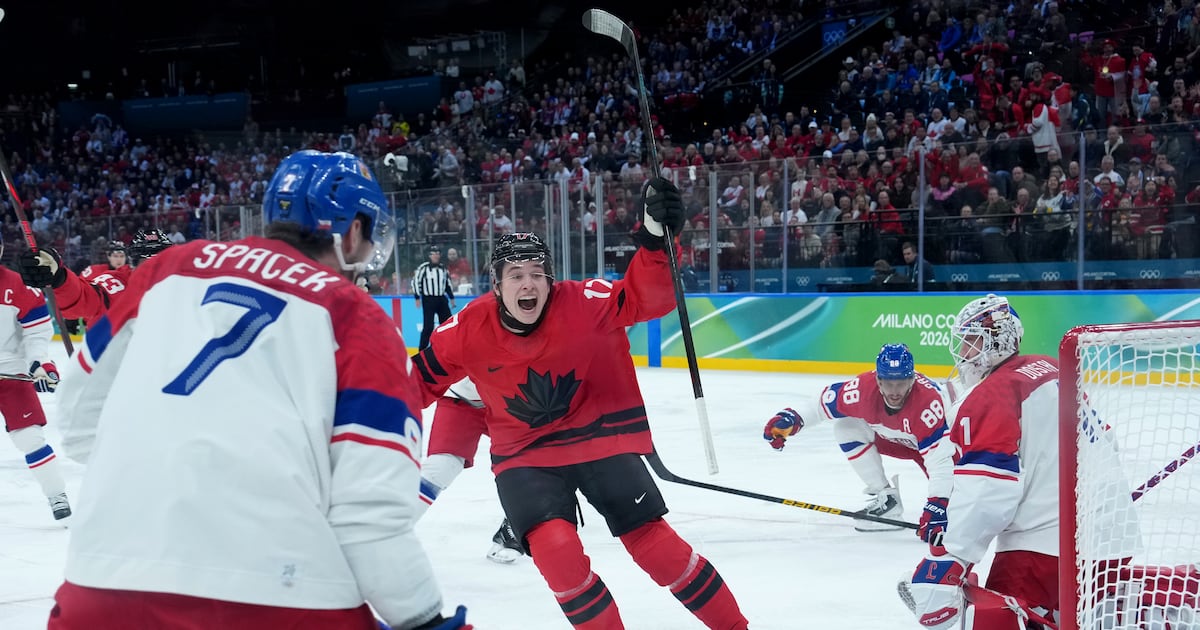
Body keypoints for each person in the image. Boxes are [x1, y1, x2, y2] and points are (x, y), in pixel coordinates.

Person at [47, 150, 469, 630]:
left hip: (100, 585)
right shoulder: (359, 317)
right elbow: (368, 522)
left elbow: (79, 423)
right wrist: (426, 620)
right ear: (351, 231)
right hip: (276, 600)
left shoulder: (165, 271)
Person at [411, 178, 749, 630]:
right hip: (525, 455)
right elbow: (411, 388)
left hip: (600, 439)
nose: (528, 283)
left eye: (536, 273)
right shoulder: (466, 329)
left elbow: (649, 298)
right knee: (557, 553)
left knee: (659, 549)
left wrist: (654, 239)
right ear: (496, 284)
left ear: (550, 279)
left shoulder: (584, 302)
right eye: (516, 275)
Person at [898, 294, 1060, 629]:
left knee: (992, 619)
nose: (964, 352)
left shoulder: (991, 395)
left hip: (1041, 546)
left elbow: (988, 492)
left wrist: (951, 558)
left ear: (998, 341)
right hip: (1103, 538)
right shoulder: (1051, 367)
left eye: (972, 341)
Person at [763, 344, 952, 532]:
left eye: (901, 384)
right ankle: (887, 499)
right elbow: (821, 404)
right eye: (888, 383)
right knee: (847, 427)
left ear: (912, 381)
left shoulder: (927, 404)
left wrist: (938, 504)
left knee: (958, 513)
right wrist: (793, 418)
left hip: (946, 446)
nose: (894, 391)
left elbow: (941, 463)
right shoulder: (862, 390)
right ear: (878, 380)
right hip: (898, 439)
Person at [417, 378, 526, 564]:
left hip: (520, 403)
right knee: (441, 466)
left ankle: (515, 526)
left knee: (531, 465)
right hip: (462, 398)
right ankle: (386, 529)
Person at [0, 240, 71, 521]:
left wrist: (40, 364)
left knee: (31, 438)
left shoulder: (18, 286)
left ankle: (57, 495)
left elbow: (37, 334)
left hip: (11, 371)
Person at [18, 228, 174, 326]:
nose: (157, 267)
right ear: (134, 263)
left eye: (163, 259)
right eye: (147, 261)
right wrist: (60, 278)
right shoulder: (116, 283)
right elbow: (85, 297)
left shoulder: (186, 286)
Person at [412, 245, 456, 350]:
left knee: (447, 324)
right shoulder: (424, 267)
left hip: (441, 298)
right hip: (429, 299)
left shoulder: (443, 268)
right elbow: (416, 282)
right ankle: (421, 350)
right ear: (429, 256)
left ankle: (448, 347)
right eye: (433, 254)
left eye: (437, 253)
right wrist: (417, 297)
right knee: (428, 326)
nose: (436, 256)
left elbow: (447, 284)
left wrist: (451, 298)